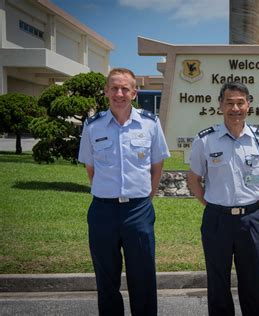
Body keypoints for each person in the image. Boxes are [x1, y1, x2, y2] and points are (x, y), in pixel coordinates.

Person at [78, 68, 170, 315]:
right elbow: (91, 169)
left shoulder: (150, 123)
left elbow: (157, 166)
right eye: (114, 88)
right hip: (103, 210)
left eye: (125, 89)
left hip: (138, 210)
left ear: (134, 92)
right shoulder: (93, 126)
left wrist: (145, 196)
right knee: (106, 279)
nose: (119, 93)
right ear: (106, 91)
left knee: (143, 278)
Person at [187, 81, 259, 316]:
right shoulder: (205, 140)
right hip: (217, 220)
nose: (235, 108)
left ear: (249, 105)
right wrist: (211, 204)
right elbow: (194, 178)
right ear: (220, 106)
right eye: (229, 103)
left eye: (240, 103)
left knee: (255, 281)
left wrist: (254, 199)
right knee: (218, 283)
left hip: (251, 220)